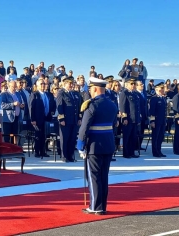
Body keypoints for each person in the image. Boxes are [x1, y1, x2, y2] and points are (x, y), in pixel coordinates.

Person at [76, 77, 117, 215]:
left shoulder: (92, 105)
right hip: (108, 144)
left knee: (94, 176)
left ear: (94, 89)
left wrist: (80, 145)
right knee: (104, 176)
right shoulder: (112, 104)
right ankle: (102, 206)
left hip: (94, 145)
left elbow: (84, 128)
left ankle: (95, 206)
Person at [56, 77, 81, 162]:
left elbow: (77, 107)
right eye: (70, 83)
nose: (71, 85)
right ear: (65, 84)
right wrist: (61, 119)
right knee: (65, 139)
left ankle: (71, 156)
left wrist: (79, 118)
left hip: (74, 120)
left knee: (72, 138)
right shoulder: (61, 93)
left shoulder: (74, 94)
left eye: (72, 83)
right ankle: (64, 156)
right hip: (65, 120)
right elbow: (60, 107)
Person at [29, 79, 52, 158]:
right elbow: (31, 107)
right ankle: (37, 151)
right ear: (37, 85)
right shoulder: (34, 94)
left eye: (44, 84)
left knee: (44, 136)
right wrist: (33, 119)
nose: (43, 85)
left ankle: (43, 151)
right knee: (38, 135)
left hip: (46, 118)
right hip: (37, 119)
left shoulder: (47, 94)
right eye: (41, 84)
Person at [119, 78, 141, 158]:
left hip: (134, 118)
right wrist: (124, 118)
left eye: (134, 84)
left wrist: (138, 119)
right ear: (127, 85)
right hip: (128, 119)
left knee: (133, 137)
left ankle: (132, 152)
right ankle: (126, 153)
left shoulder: (135, 94)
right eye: (131, 84)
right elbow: (122, 106)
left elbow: (137, 108)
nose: (133, 85)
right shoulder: (124, 93)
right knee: (127, 137)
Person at [149, 82, 167, 157]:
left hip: (162, 120)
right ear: (157, 90)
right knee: (155, 137)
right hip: (156, 121)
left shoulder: (163, 98)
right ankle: (155, 152)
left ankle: (159, 150)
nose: (163, 90)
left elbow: (164, 111)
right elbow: (152, 111)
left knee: (160, 137)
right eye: (161, 88)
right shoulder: (154, 99)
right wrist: (152, 121)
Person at [136, 80, 147, 150]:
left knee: (142, 131)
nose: (142, 85)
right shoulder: (136, 94)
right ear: (136, 86)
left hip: (144, 115)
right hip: (139, 115)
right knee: (138, 131)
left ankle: (139, 145)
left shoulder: (143, 93)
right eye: (140, 84)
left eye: (142, 84)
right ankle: (135, 146)